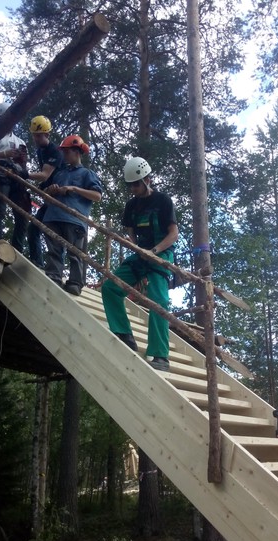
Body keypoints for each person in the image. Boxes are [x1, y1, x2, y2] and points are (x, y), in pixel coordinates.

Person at [102, 157, 179, 372]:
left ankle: (160, 355)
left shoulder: (163, 201)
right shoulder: (131, 205)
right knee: (110, 287)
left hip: (161, 254)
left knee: (159, 301)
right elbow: (131, 232)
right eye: (130, 185)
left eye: (136, 184)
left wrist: (154, 251)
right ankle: (124, 334)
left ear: (147, 180)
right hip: (140, 254)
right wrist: (136, 248)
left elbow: (174, 234)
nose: (133, 189)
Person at [43, 134, 102, 296]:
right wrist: (50, 190)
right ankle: (53, 278)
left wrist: (74, 188)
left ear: (77, 152)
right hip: (53, 216)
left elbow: (97, 196)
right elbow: (45, 196)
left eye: (67, 152)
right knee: (54, 251)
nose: (64, 155)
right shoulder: (59, 173)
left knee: (75, 254)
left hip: (75, 220)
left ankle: (75, 283)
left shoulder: (87, 173)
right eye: (63, 152)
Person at [0, 102, 30, 251]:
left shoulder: (20, 142)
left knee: (22, 213)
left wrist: (21, 160)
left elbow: (24, 166)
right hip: (0, 174)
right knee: (0, 210)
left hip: (17, 177)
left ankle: (17, 248)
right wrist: (4, 154)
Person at [27, 115, 64, 268]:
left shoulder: (55, 151)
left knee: (53, 233)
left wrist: (24, 174)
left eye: (39, 135)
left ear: (47, 134)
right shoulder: (40, 151)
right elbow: (45, 177)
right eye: (34, 135)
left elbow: (45, 174)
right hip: (49, 195)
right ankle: (37, 263)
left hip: (58, 197)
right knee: (33, 228)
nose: (35, 138)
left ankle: (54, 269)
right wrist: (41, 187)